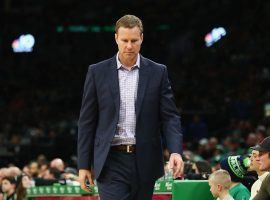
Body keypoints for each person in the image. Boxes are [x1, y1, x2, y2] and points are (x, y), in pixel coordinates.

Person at [77, 14, 183, 200]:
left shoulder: (158, 72)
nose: (129, 46)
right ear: (116, 38)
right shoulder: (97, 72)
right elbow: (87, 121)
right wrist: (83, 165)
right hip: (110, 160)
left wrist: (175, 151)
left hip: (145, 158)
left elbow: (170, 116)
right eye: (124, 40)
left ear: (141, 38)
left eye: (134, 40)